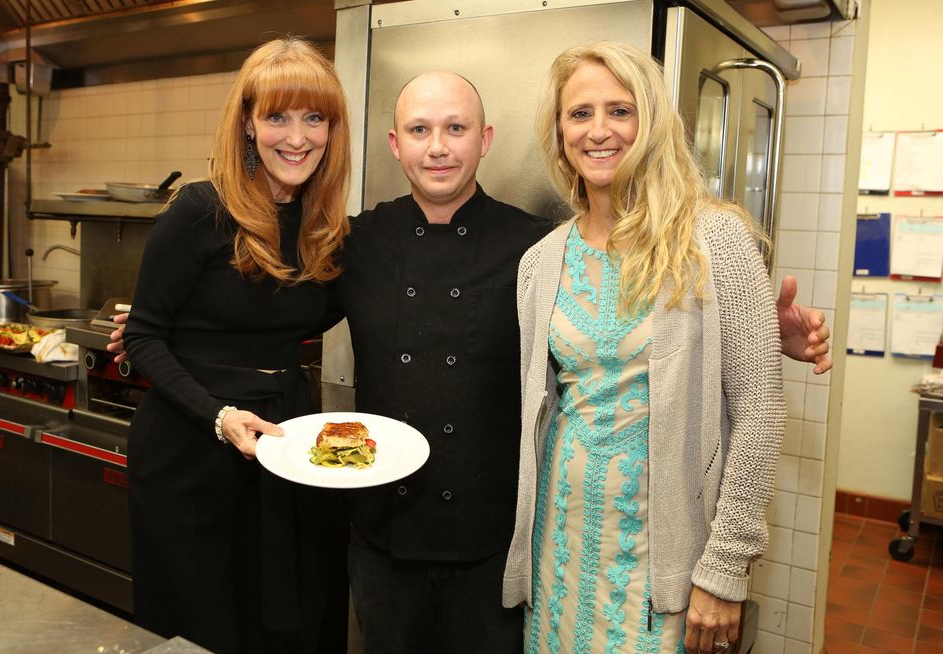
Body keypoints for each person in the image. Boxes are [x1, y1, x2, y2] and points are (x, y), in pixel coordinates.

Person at [110, 68, 829, 653]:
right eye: (420, 131)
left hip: (499, 544)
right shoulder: (355, 243)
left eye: (456, 129)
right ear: (395, 144)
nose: (438, 148)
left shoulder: (539, 248)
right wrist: (163, 331)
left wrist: (753, 333)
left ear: (485, 141)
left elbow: (619, 339)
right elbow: (273, 306)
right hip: (381, 538)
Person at [502, 41, 788, 654]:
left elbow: (759, 414)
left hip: (665, 558)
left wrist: (725, 567)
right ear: (560, 132)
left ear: (652, 121)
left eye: (620, 111)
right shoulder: (540, 262)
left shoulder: (715, 240)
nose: (598, 130)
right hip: (559, 542)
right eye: (580, 114)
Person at [121, 37, 350, 653]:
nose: (296, 137)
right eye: (277, 117)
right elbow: (143, 334)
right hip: (191, 448)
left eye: (314, 118)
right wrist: (219, 415)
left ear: (332, 129)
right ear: (248, 124)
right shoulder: (200, 208)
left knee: (282, 623)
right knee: (200, 628)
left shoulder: (327, 227)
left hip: (280, 442)